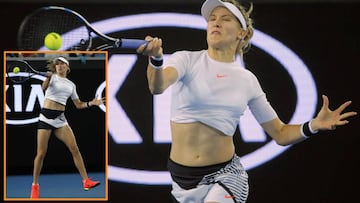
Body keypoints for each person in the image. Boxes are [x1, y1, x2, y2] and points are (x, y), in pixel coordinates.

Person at [136, 0, 357, 202]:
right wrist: (156, 59)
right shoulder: (185, 59)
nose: (216, 23)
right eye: (212, 19)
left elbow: (280, 133)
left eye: (225, 19)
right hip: (180, 179)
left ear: (241, 32)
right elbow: (158, 86)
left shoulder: (247, 80)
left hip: (226, 177)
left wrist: (313, 126)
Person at [30, 56, 105, 198]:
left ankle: (86, 181)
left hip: (60, 120)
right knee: (41, 154)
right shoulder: (51, 77)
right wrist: (48, 78)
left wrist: (91, 103)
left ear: (67, 67)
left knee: (75, 149)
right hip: (46, 118)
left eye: (62, 64)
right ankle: (35, 186)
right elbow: (43, 88)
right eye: (57, 64)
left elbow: (78, 105)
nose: (59, 66)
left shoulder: (71, 85)